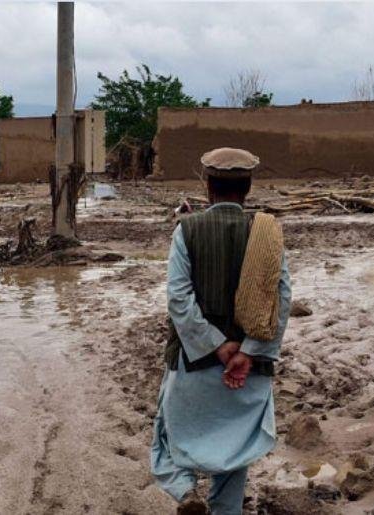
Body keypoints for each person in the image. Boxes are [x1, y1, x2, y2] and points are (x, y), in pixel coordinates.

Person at [151, 148, 292, 515]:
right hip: (248, 371)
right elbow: (281, 299)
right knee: (236, 450)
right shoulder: (267, 232)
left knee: (166, 435)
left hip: (193, 364)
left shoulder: (187, 229)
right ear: (247, 188)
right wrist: (247, 351)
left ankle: (185, 493)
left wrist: (218, 346)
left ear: (208, 187)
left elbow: (179, 300)